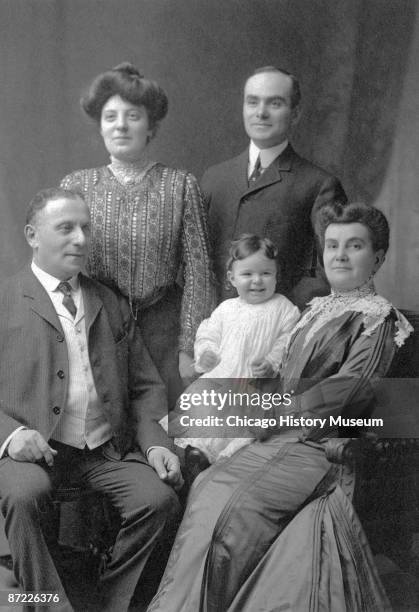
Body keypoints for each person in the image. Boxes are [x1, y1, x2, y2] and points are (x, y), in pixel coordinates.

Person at [147, 202, 413, 612]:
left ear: (376, 257)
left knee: (235, 503)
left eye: (354, 246)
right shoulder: (313, 312)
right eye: (332, 246)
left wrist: (278, 410)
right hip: (275, 435)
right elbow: (282, 376)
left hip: (320, 446)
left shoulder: (379, 320)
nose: (339, 255)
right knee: (207, 486)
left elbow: (353, 388)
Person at [0, 188, 183, 612]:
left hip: (104, 450)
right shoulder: (5, 300)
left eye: (85, 227)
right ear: (32, 235)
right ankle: (50, 606)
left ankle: (109, 604)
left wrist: (156, 443)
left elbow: (145, 387)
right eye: (66, 228)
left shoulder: (109, 301)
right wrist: (10, 437)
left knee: (159, 502)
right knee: (23, 497)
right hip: (30, 453)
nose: (80, 239)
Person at [61, 62, 216, 406]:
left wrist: (189, 346)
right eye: (110, 116)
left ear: (151, 126)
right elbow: (59, 269)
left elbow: (199, 271)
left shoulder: (180, 185)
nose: (121, 125)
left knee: (171, 426)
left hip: (165, 328)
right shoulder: (77, 186)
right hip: (99, 325)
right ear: (100, 126)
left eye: (133, 116)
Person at [202, 65, 347, 310]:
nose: (261, 112)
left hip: (281, 330)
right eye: (252, 102)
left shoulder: (319, 185)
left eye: (275, 103)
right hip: (213, 327)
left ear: (295, 113)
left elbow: (331, 270)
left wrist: (283, 315)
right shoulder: (214, 179)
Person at [163, 234, 300, 463]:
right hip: (221, 381)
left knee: (244, 433)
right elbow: (208, 333)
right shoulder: (227, 309)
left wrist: (271, 363)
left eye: (265, 273)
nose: (257, 281)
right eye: (247, 274)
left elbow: (287, 341)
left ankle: (223, 461)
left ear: (276, 275)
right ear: (232, 278)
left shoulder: (284, 309)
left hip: (256, 386)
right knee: (205, 418)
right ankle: (195, 457)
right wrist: (206, 353)